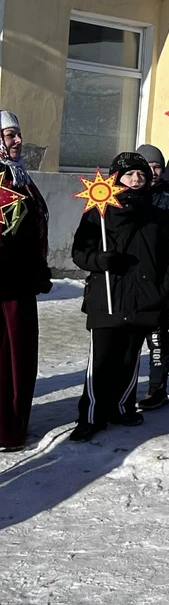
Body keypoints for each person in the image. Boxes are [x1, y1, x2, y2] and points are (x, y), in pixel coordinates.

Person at [71, 152, 169, 442]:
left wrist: (166, 292)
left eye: (141, 175)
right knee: (101, 360)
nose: (136, 180)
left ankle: (122, 407)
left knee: (129, 357)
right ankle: (91, 415)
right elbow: (80, 252)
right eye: (129, 174)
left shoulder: (157, 216)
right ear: (115, 178)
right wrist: (100, 260)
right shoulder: (98, 213)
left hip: (142, 297)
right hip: (107, 295)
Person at [0, 110, 50, 451]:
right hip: (4, 285)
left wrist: (38, 268)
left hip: (21, 282)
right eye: (9, 135)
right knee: (5, 357)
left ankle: (15, 425)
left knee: (21, 357)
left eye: (17, 133)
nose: (18, 140)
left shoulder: (19, 175)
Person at [133, 142, 169, 411]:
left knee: (157, 337)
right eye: (146, 167)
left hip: (159, 278)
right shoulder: (125, 196)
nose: (152, 172)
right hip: (132, 281)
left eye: (157, 167)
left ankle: (157, 387)